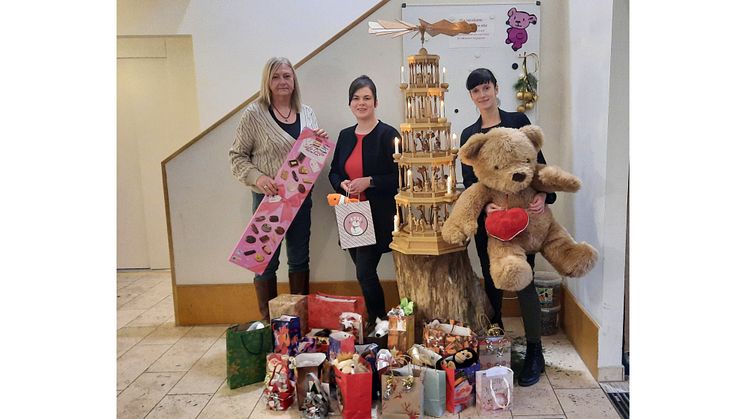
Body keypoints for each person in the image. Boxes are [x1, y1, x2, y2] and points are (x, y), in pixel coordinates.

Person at [459, 68, 556, 387]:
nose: (482, 94)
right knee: (491, 281)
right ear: (471, 97)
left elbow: (538, 168)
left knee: (524, 281)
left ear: (496, 88)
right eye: (476, 91)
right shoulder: (469, 135)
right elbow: (471, 181)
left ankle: (534, 351)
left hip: (523, 222)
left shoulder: (518, 122)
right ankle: (494, 344)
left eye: (486, 87)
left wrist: (543, 194)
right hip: (490, 223)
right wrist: (485, 206)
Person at [229, 57, 328, 320]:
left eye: (287, 76)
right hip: (268, 202)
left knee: (299, 260)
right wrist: (259, 178)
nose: (282, 81)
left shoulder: (307, 113)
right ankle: (269, 322)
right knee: (265, 264)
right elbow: (237, 156)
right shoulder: (254, 114)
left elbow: (311, 158)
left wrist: (319, 143)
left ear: (294, 80)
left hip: (299, 200)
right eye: (276, 77)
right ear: (267, 82)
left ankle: (298, 322)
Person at [329, 75, 400, 328]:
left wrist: (369, 181)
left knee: (364, 272)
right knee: (364, 273)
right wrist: (343, 184)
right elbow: (334, 172)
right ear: (350, 104)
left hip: (378, 214)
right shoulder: (345, 135)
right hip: (351, 214)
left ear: (376, 102)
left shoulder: (389, 134)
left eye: (367, 98)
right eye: (356, 98)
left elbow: (399, 177)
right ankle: (379, 319)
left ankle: (378, 320)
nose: (362, 103)